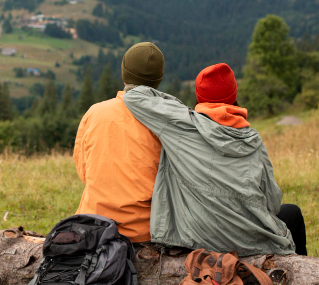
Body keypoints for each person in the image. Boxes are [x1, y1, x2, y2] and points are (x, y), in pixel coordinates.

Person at [122, 63, 303, 256]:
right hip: (247, 243)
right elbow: (273, 205)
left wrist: (183, 109)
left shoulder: (181, 127)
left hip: (195, 239)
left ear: (200, 97)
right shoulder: (253, 141)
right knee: (292, 213)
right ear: (233, 95)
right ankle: (303, 275)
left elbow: (133, 96)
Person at [72, 42, 165, 243]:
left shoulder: (96, 113)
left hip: (93, 227)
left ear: (124, 72)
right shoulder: (169, 119)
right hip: (147, 232)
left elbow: (84, 171)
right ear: (158, 78)